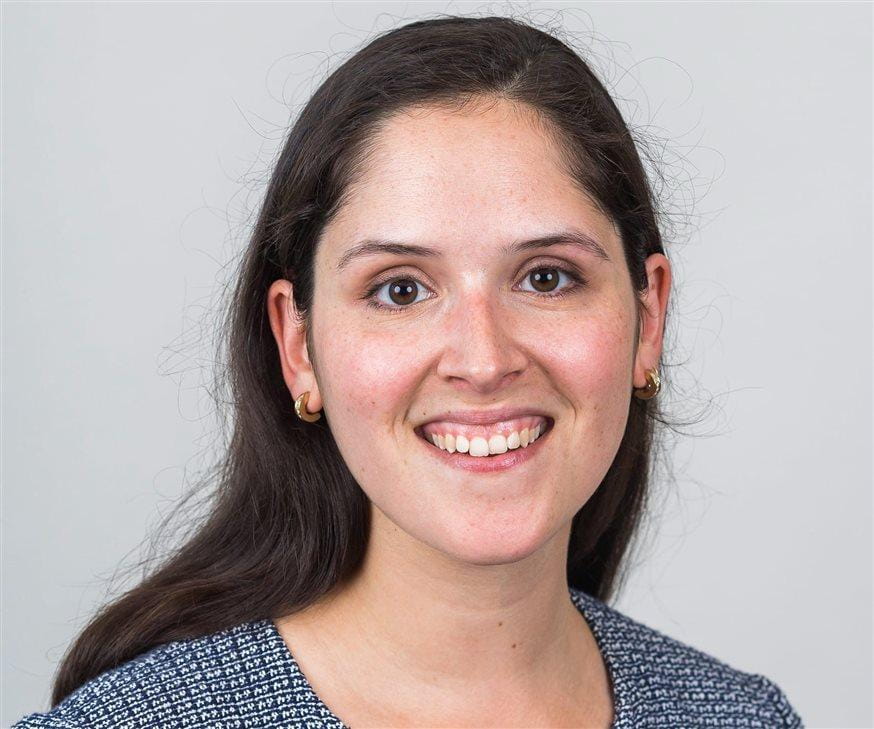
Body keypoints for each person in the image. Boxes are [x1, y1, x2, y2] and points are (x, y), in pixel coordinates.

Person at [14, 13, 803, 729]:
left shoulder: (744, 717)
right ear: (298, 344)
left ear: (648, 318)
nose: (484, 359)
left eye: (547, 277)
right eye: (400, 289)